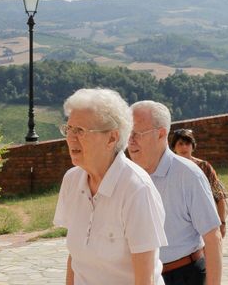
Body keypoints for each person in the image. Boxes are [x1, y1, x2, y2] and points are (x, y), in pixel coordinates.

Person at [53, 89, 167, 285]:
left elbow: (145, 278)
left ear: (112, 138)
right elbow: (76, 259)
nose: (71, 138)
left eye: (80, 130)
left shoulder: (136, 189)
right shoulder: (72, 181)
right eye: (69, 129)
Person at [128, 100, 222, 285]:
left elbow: (213, 238)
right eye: (127, 133)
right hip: (140, 275)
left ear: (161, 133)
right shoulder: (127, 174)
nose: (130, 141)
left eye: (136, 134)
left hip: (183, 275)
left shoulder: (189, 175)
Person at [170, 129, 228, 238]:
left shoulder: (204, 167)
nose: (184, 147)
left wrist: (222, 223)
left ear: (193, 146)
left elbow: (219, 195)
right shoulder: (169, 169)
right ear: (174, 147)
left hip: (205, 220)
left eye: (187, 144)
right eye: (180, 144)